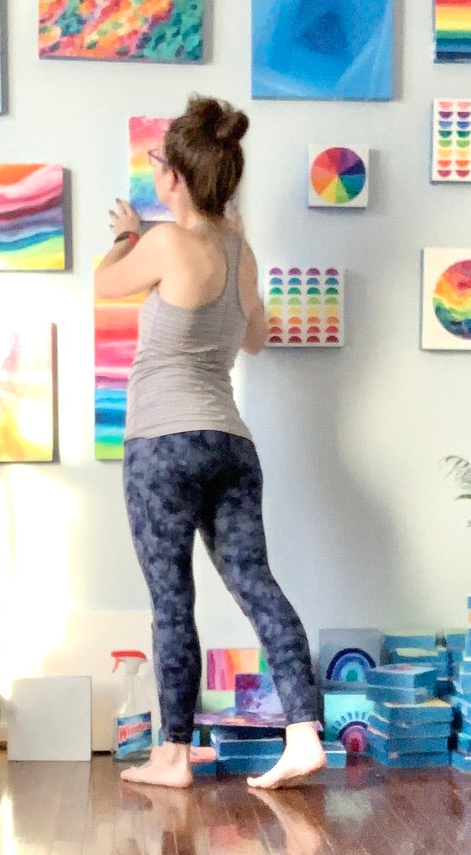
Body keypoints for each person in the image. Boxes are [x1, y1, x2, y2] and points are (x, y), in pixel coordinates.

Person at [95, 95, 325, 789]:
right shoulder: (239, 248)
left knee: (173, 601)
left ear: (175, 178)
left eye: (160, 161)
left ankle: (171, 756)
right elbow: (253, 337)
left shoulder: (164, 241)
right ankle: (305, 732)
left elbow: (103, 286)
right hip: (231, 444)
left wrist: (128, 236)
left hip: (163, 445)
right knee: (257, 584)